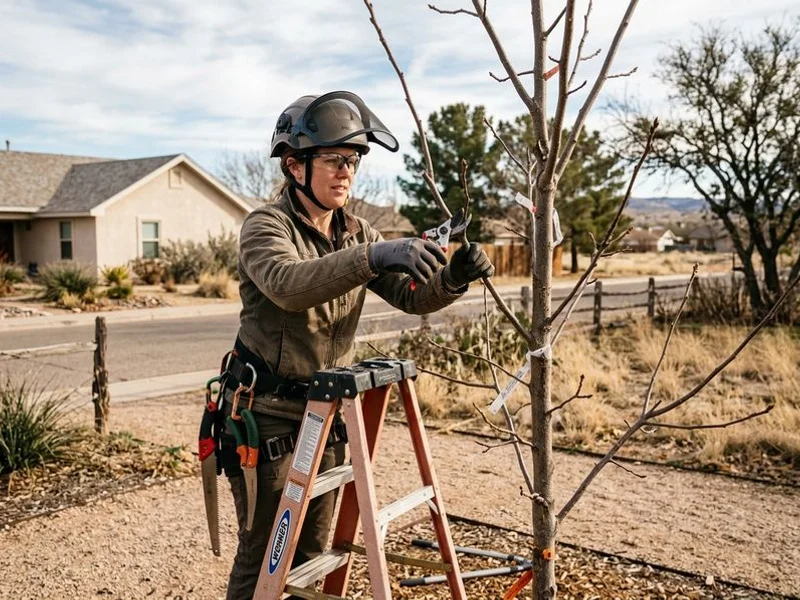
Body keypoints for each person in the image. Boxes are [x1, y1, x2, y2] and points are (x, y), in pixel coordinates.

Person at [220, 90, 494, 599]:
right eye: (333, 160)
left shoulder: (357, 231)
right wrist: (372, 256)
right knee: (264, 556)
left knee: (311, 552)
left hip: (325, 416)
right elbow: (287, 284)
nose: (346, 172)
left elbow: (410, 297)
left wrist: (453, 277)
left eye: (353, 161)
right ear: (294, 165)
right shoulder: (266, 226)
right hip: (269, 415)